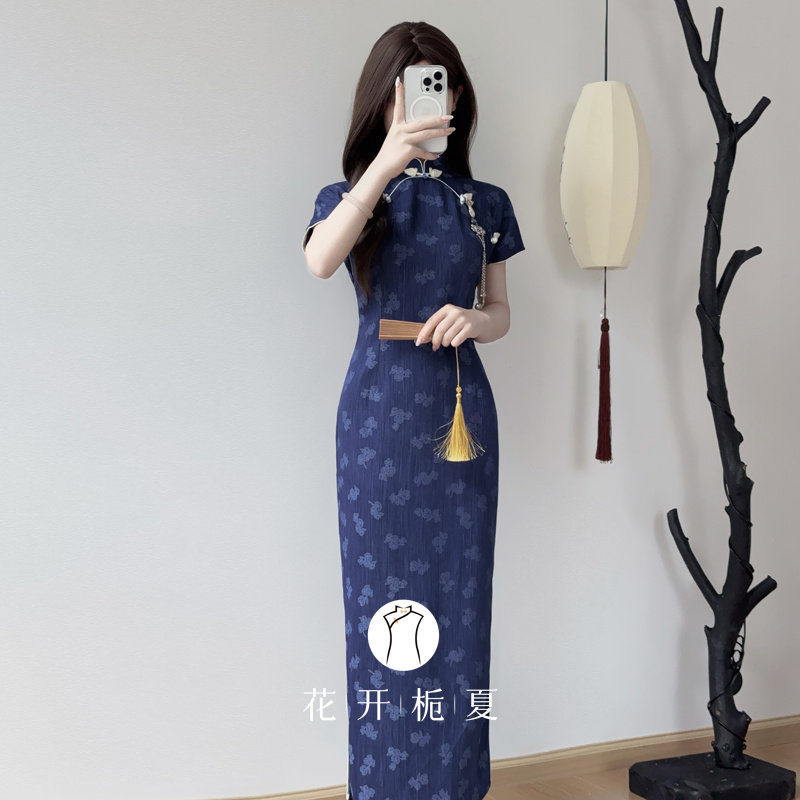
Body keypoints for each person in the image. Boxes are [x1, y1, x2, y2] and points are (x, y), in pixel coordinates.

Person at [301, 21, 524, 800]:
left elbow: (501, 312)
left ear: (459, 96)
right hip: (377, 424)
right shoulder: (351, 198)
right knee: (383, 615)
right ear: (385, 98)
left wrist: (476, 320)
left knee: (461, 609)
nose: (436, 98)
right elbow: (320, 259)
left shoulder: (485, 204)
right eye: (415, 87)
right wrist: (387, 162)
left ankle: (457, 785)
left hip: (462, 421)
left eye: (444, 84)